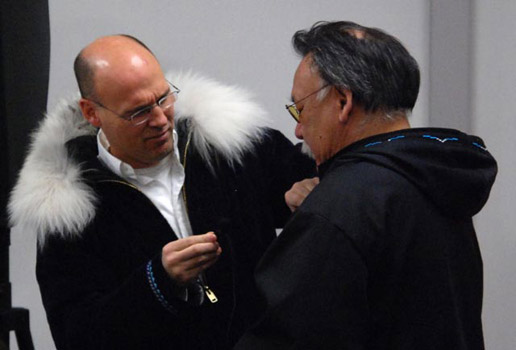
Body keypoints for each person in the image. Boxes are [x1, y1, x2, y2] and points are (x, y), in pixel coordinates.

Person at [7, 35, 315, 350]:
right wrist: (158, 282)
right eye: (137, 112)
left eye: (164, 98)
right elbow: (78, 336)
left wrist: (305, 192)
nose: (160, 120)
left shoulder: (230, 143)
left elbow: (329, 177)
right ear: (91, 113)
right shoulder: (66, 208)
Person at [235, 21, 498, 350]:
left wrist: (322, 216)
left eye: (300, 109)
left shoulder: (342, 204)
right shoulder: (436, 177)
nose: (299, 131)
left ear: (343, 101)